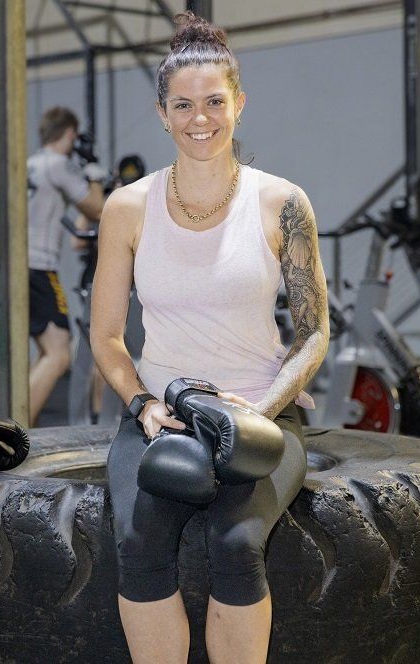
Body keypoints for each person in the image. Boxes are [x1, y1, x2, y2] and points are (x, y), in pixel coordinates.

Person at [90, 13, 329, 663]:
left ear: (239, 105)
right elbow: (107, 336)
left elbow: (312, 335)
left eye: (215, 102)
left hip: (258, 413)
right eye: (184, 105)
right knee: (140, 546)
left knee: (235, 546)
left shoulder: (283, 203)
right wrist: (143, 405)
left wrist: (263, 410)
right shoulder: (128, 208)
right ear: (163, 113)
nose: (201, 118)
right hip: (162, 413)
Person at [27, 106, 106, 425]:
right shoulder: (59, 165)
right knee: (59, 355)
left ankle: (15, 423)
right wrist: (95, 174)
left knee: (47, 352)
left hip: (20, 266)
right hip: (39, 266)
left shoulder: (31, 163)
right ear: (70, 134)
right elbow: (97, 207)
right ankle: (15, 429)